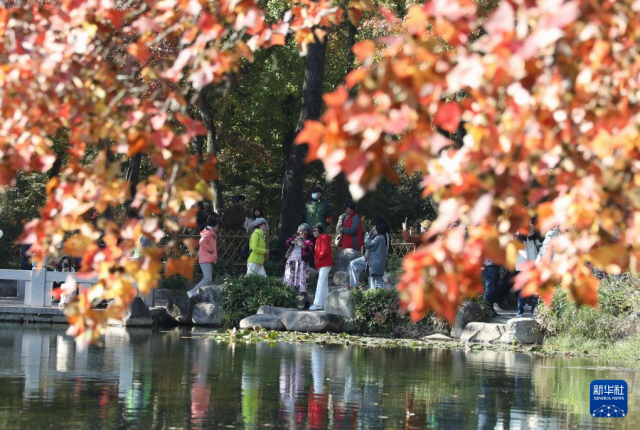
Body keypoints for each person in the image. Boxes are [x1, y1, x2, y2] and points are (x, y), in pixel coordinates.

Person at [348, 218, 390, 290]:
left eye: (375, 228)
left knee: (376, 282)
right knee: (354, 264)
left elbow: (368, 245)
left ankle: (377, 294)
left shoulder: (380, 237)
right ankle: (355, 286)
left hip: (375, 262)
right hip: (372, 259)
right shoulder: (381, 236)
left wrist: (368, 237)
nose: (374, 229)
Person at [515, 219, 543, 317]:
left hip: (533, 263)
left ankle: (534, 310)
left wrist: (534, 232)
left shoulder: (533, 232)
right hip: (522, 263)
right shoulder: (516, 231)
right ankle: (520, 310)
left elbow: (539, 245)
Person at [187, 216, 219, 298]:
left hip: (207, 258)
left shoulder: (209, 232)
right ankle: (192, 292)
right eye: (217, 226)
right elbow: (202, 241)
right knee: (207, 279)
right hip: (205, 258)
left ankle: (202, 295)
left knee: (209, 280)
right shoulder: (208, 232)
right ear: (214, 225)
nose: (218, 228)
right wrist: (210, 250)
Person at [284, 223, 314, 308]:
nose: (303, 235)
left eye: (305, 233)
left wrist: (303, 246)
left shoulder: (309, 240)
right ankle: (289, 302)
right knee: (290, 280)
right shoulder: (295, 237)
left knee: (302, 281)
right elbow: (287, 242)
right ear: (298, 231)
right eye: (301, 233)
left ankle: (306, 302)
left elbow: (310, 250)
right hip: (292, 261)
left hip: (302, 262)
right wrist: (292, 242)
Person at [310, 224, 334, 311]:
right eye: (312, 231)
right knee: (323, 283)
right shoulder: (319, 239)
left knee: (320, 283)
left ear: (319, 230)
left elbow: (325, 250)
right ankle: (324, 303)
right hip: (322, 264)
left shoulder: (324, 237)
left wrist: (318, 260)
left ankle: (317, 304)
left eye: (315, 230)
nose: (313, 232)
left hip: (325, 263)